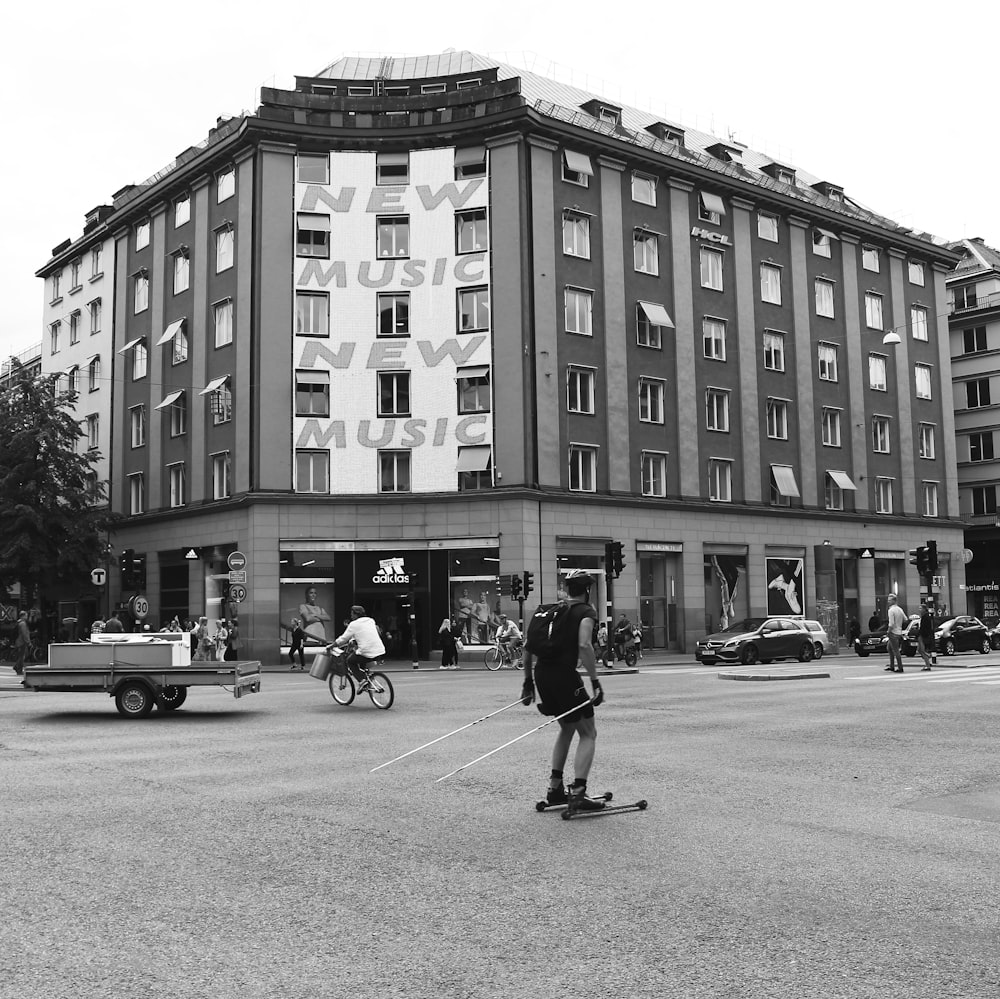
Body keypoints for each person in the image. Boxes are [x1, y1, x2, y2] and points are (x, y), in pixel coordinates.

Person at [520, 570, 605, 812]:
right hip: (564, 676)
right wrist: (595, 682)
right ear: (587, 590)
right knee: (589, 732)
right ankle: (578, 791)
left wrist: (528, 682)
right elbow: (584, 644)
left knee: (567, 727)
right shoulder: (586, 612)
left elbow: (528, 649)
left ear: (568, 590)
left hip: (542, 674)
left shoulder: (551, 611)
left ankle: (554, 788)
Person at [331, 605, 386, 680]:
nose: (351, 616)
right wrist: (354, 641)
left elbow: (343, 639)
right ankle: (368, 680)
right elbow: (364, 633)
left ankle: (362, 681)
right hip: (380, 650)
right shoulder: (371, 620)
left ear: (356, 614)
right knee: (361, 659)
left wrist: (332, 645)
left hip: (367, 652)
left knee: (350, 661)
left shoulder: (353, 624)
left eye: (352, 614)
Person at [884, 594, 907, 673]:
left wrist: (888, 631)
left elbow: (891, 623)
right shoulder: (900, 609)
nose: (888, 601)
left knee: (895, 650)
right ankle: (892, 666)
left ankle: (900, 667)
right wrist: (899, 624)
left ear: (894, 601)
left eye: (889, 600)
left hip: (893, 632)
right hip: (898, 632)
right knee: (889, 648)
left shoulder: (891, 610)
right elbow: (905, 619)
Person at [917, 603, 936, 671]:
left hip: (923, 636)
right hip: (921, 635)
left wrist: (922, 635)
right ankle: (928, 656)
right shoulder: (923, 616)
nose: (919, 610)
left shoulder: (926, 617)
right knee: (919, 649)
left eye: (920, 608)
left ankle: (928, 665)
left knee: (922, 650)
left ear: (924, 609)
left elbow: (925, 628)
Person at [13, 611, 31, 676]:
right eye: (26, 615)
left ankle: (17, 666)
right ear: (23, 616)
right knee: (22, 656)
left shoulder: (19, 623)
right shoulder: (23, 623)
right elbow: (24, 633)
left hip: (19, 641)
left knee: (22, 655)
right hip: (21, 642)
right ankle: (18, 668)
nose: (27, 617)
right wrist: (28, 641)